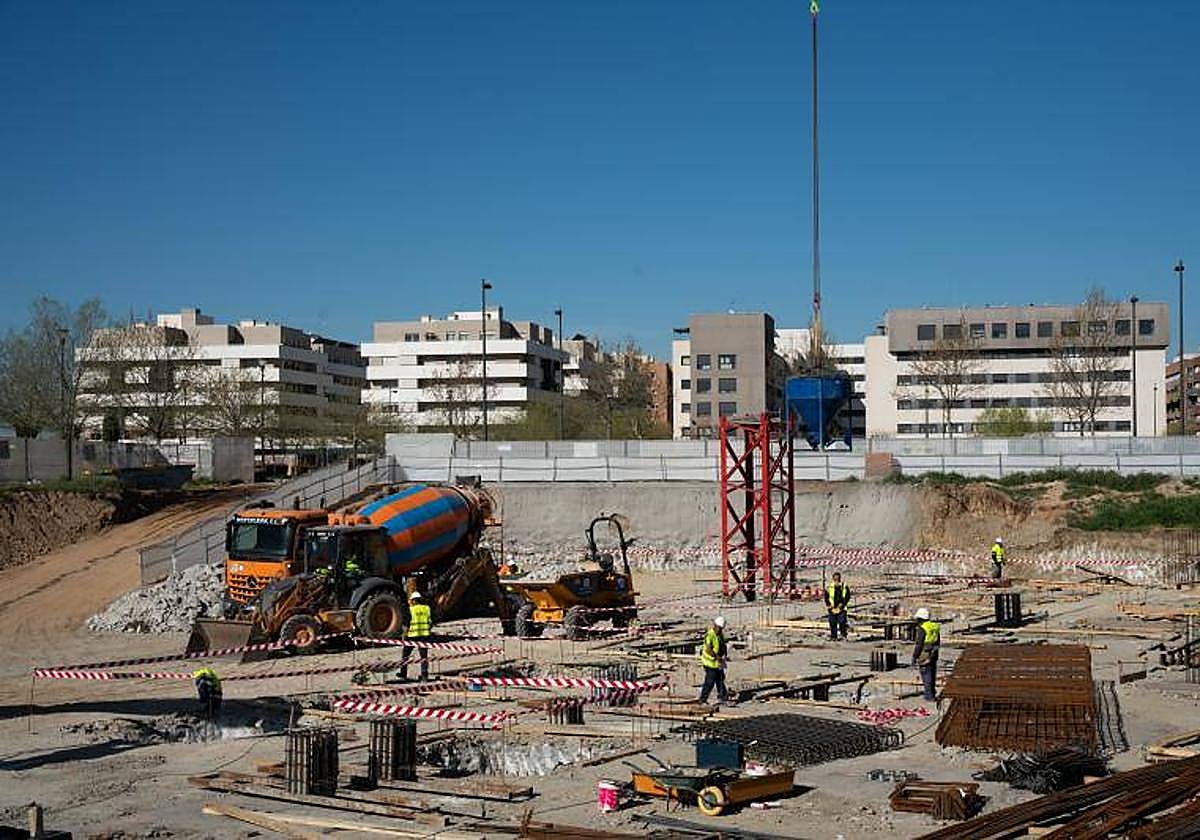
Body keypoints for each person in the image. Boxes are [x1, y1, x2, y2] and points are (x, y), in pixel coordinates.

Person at [399, 591, 432, 682]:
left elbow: (407, 624)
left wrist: (404, 635)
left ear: (413, 601)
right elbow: (430, 622)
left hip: (412, 636)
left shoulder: (411, 609)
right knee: (424, 657)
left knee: (405, 655)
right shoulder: (426, 608)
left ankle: (403, 673)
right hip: (424, 636)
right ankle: (424, 676)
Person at [697, 615, 731, 705]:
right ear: (715, 626)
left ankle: (723, 697)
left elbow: (722, 645)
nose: (720, 630)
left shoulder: (720, 634)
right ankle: (702, 699)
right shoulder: (710, 635)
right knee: (710, 681)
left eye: (721, 628)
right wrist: (717, 657)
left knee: (720, 679)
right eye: (719, 628)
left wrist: (724, 655)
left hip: (717, 662)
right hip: (709, 663)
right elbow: (708, 650)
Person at [910, 607, 941, 702]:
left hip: (925, 654)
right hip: (934, 653)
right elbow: (938, 641)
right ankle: (932, 692)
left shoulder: (922, 628)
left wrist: (914, 656)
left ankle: (929, 696)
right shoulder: (935, 626)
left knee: (926, 675)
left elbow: (919, 644)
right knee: (932, 674)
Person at [825, 572, 851, 640]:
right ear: (833, 579)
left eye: (837, 579)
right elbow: (826, 597)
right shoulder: (830, 587)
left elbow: (847, 596)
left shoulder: (844, 586)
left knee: (842, 622)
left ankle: (843, 634)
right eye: (835, 579)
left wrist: (842, 604)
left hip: (842, 608)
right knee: (832, 623)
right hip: (832, 607)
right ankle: (834, 636)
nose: (836, 580)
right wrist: (829, 605)